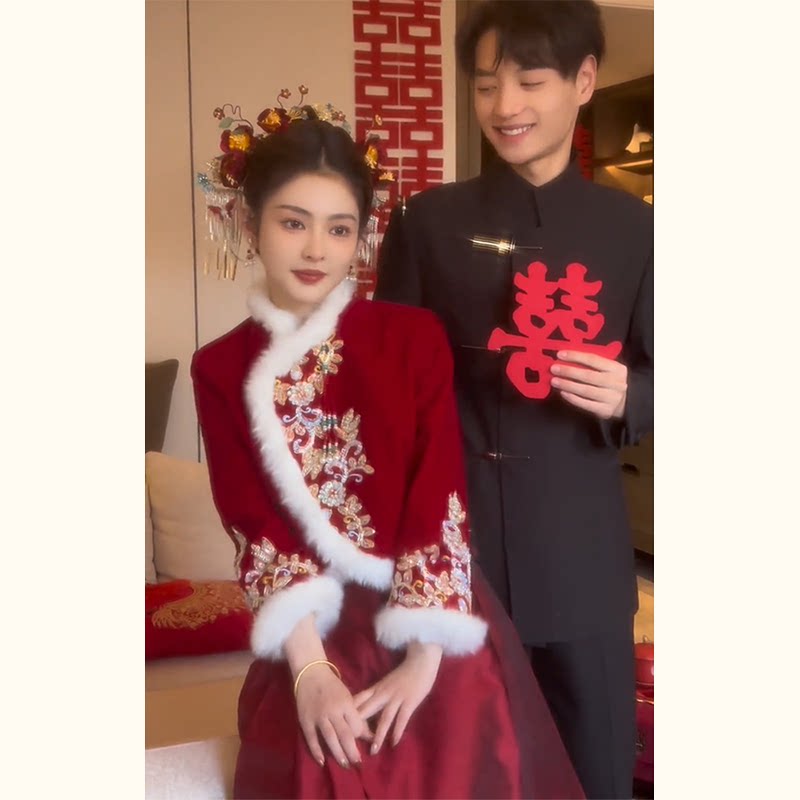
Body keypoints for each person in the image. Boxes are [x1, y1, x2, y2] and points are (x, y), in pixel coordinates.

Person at [191, 109, 584, 799]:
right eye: (293, 223)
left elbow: (438, 492)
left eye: (340, 228)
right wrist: (310, 673)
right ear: (251, 226)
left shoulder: (412, 337)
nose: (317, 249)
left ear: (361, 237)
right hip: (311, 628)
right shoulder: (220, 366)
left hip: (425, 609)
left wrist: (426, 656)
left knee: (456, 739)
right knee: (316, 756)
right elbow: (255, 524)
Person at [374, 2, 654, 798]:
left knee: (595, 770)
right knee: (466, 772)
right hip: (457, 558)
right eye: (486, 85)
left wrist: (632, 392)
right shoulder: (426, 223)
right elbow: (389, 395)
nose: (504, 107)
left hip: (581, 558)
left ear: (584, 81)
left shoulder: (634, 230)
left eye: (530, 81)